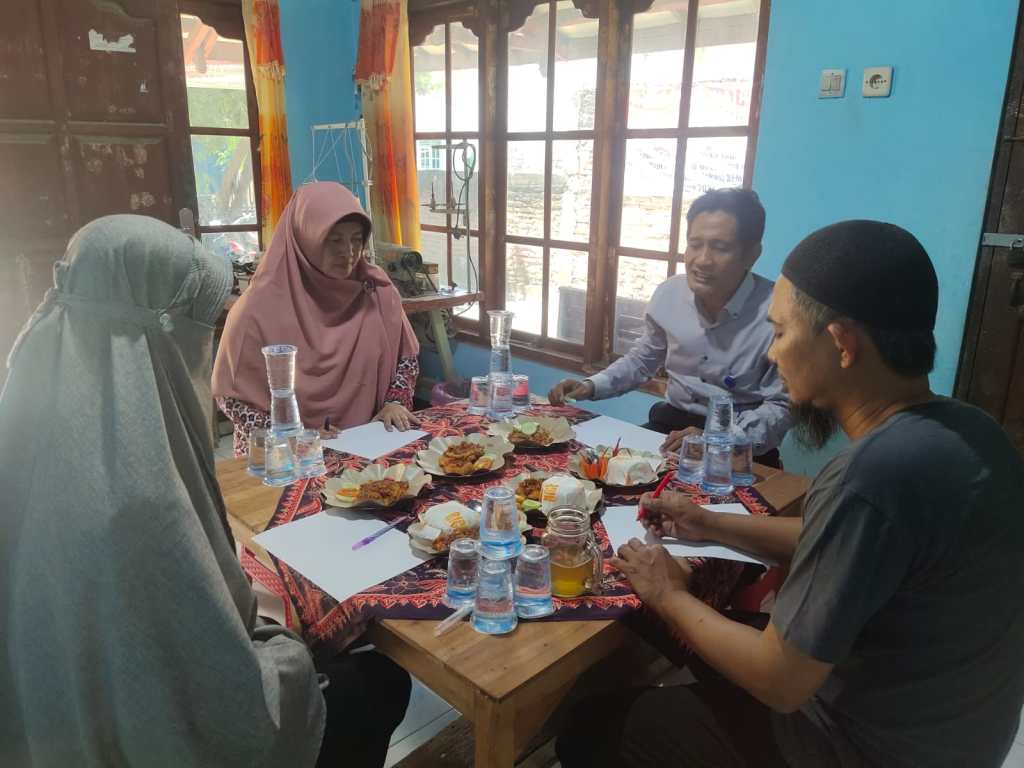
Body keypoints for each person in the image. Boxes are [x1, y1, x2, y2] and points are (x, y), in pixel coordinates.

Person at [556, 220, 1024, 768]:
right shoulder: (972, 430)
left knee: (591, 727)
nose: (774, 356)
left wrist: (667, 593)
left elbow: (780, 681)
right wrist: (709, 521)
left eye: (780, 334)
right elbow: (835, 542)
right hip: (950, 732)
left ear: (841, 343)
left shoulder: (873, 475)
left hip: (857, 746)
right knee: (678, 627)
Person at [0, 215, 410, 768]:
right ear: (154, 334)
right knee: (380, 682)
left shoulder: (38, 433)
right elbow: (219, 670)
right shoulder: (141, 492)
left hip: (58, 719)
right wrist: (286, 648)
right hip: (154, 730)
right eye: (200, 328)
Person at [548, 188, 791, 467]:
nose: (702, 260)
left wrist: (718, 439)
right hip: (670, 429)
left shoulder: (779, 313)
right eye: (695, 244)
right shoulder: (669, 294)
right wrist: (590, 386)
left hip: (741, 446)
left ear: (752, 254)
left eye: (720, 248)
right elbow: (642, 361)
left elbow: (781, 406)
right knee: (588, 470)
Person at [214, 182, 421, 456]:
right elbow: (231, 397)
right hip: (284, 456)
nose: (348, 252)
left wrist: (396, 402)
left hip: (366, 444)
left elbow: (406, 359)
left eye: (356, 239)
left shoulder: (376, 292)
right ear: (304, 239)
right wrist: (291, 435)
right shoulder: (257, 309)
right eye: (334, 240)